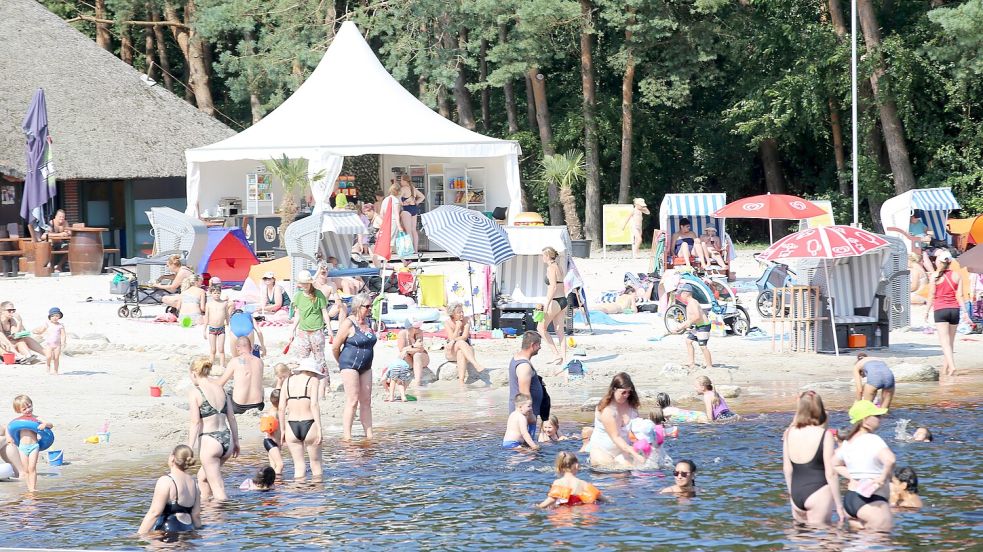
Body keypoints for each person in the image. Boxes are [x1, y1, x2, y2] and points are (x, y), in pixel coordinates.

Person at [782, 391, 845, 525]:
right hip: (819, 492)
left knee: (803, 542)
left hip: (796, 493)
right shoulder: (825, 435)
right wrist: (839, 505)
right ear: (819, 408)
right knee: (825, 541)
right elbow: (831, 473)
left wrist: (792, 495)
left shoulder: (788, 433)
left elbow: (787, 469)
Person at [832, 400, 895, 532]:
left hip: (851, 500)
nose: (880, 419)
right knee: (882, 544)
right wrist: (882, 479)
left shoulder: (848, 442)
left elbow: (835, 464)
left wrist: (854, 477)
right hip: (872, 501)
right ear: (865, 419)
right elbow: (890, 460)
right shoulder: (873, 439)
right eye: (876, 416)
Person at [187, 358, 239, 501]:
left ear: (194, 373)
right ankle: (208, 512)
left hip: (210, 441)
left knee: (218, 487)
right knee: (202, 477)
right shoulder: (221, 389)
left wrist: (189, 447)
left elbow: (195, 422)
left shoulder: (196, 392)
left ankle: (222, 521)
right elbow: (232, 418)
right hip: (227, 440)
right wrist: (236, 442)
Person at [332, 293, 377, 440]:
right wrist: (341, 363)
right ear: (358, 306)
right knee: (353, 400)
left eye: (371, 306)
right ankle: (347, 436)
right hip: (349, 364)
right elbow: (335, 346)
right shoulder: (348, 323)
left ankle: (369, 435)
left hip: (366, 365)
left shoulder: (369, 323)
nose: (370, 309)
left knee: (366, 400)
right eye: (367, 306)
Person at [137, 445, 202, 534]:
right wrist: (198, 534)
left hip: (169, 529)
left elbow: (155, 512)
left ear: (172, 458)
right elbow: (196, 515)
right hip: (188, 529)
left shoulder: (166, 481)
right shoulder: (195, 484)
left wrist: (139, 535)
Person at [277, 357, 323, 480]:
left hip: (291, 425)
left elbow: (281, 408)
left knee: (298, 467)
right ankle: (317, 496)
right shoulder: (313, 380)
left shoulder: (287, 381)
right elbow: (314, 405)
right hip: (309, 423)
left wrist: (282, 430)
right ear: (312, 371)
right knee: (316, 464)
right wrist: (319, 428)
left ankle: (298, 496)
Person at [589, 373, 645, 468]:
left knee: (630, 470)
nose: (626, 395)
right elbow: (616, 437)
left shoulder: (632, 407)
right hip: (602, 451)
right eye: (623, 392)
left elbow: (637, 430)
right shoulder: (607, 409)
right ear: (614, 389)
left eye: (629, 392)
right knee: (609, 469)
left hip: (623, 451)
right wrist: (634, 453)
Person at [291, 270, 332, 397]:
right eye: (302, 283)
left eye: (306, 283)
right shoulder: (298, 296)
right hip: (303, 331)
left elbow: (324, 312)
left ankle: (326, 386)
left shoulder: (318, 294)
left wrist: (330, 329)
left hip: (317, 330)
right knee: (302, 359)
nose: (304, 285)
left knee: (320, 359)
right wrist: (293, 329)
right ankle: (302, 384)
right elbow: (298, 314)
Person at [925, 250, 964, 377]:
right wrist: (965, 312)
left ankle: (952, 367)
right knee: (950, 342)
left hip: (940, 310)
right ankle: (945, 368)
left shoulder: (934, 276)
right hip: (955, 310)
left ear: (939, 262)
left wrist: (926, 311)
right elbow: (960, 295)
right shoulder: (957, 275)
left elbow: (931, 295)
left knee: (944, 342)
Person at [9, 394, 53, 492]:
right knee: (26, 469)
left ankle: (33, 489)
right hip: (22, 447)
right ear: (18, 411)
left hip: (34, 446)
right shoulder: (19, 422)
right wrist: (10, 439)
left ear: (32, 404)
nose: (28, 410)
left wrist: (45, 424)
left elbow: (51, 425)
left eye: (29, 406)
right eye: (24, 409)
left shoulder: (37, 418)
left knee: (32, 467)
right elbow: (9, 429)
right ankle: (29, 488)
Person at [508, 331, 545, 439]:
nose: (540, 347)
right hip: (524, 413)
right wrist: (531, 415)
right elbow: (524, 393)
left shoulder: (518, 357)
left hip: (524, 412)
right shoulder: (524, 366)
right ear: (533, 345)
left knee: (525, 446)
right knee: (525, 447)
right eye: (539, 344)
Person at [218, 337, 266, 414]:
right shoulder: (259, 362)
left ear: (237, 347)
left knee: (226, 393)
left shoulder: (235, 361)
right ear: (250, 347)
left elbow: (220, 384)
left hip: (239, 406)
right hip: (258, 405)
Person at [538, 452, 603, 508]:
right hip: (578, 512)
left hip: (562, 514)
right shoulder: (583, 484)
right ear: (577, 466)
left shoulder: (558, 482)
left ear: (560, 467)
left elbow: (551, 500)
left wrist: (538, 507)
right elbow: (602, 498)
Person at [671, 284, 713, 369]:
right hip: (698, 326)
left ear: (686, 293)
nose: (680, 296)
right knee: (688, 341)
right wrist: (681, 327)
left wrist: (684, 325)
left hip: (704, 326)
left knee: (703, 346)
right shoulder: (689, 303)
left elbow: (697, 316)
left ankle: (709, 365)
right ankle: (691, 362)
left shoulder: (693, 302)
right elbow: (690, 320)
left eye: (681, 293)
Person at [539, 246, 568, 365]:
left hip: (555, 301)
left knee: (541, 328)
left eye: (543, 255)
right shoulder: (559, 267)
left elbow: (553, 287)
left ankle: (556, 354)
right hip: (563, 300)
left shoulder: (550, 268)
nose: (542, 258)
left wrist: (547, 303)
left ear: (547, 256)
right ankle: (564, 359)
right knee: (559, 331)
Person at [444, 302, 486, 384]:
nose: (462, 314)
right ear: (452, 314)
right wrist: (457, 327)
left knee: (461, 351)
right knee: (460, 343)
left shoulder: (466, 320)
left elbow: (465, 337)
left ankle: (461, 381)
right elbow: (451, 338)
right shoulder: (447, 323)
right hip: (452, 351)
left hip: (466, 349)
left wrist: (455, 339)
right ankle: (475, 364)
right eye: (459, 312)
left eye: (462, 311)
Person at [397, 318, 430, 388]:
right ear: (409, 327)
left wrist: (408, 349)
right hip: (408, 358)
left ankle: (417, 382)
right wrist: (413, 346)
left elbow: (420, 349)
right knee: (403, 354)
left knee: (417, 355)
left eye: (419, 327)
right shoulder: (402, 334)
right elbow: (401, 349)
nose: (418, 329)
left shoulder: (419, 333)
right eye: (416, 327)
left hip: (420, 357)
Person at [203, 283, 230, 366]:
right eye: (214, 293)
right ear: (211, 293)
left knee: (221, 349)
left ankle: (222, 366)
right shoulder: (208, 304)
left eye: (218, 293)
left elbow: (227, 315)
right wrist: (204, 330)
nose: (216, 294)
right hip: (212, 329)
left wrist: (229, 326)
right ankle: (210, 366)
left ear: (221, 293)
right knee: (213, 350)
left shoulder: (224, 303)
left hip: (221, 328)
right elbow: (206, 317)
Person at [33, 307, 66, 375]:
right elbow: (42, 331)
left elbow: (63, 335)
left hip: (57, 345)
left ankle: (56, 371)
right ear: (50, 317)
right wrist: (36, 332)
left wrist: (63, 342)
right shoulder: (47, 324)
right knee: (48, 357)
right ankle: (48, 367)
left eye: (57, 316)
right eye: (53, 316)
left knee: (56, 358)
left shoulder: (60, 325)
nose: (55, 317)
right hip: (49, 344)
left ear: (59, 316)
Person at [399, 174, 426, 253]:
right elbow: (422, 196)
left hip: (406, 209)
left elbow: (398, 198)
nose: (400, 182)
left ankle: (409, 250)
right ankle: (416, 250)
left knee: (408, 231)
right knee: (414, 230)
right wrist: (416, 202)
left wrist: (403, 203)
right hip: (414, 209)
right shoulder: (413, 189)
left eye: (401, 180)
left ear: (404, 181)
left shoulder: (403, 189)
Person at [261, 389, 284, 475]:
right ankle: (277, 482)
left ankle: (272, 485)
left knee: (273, 466)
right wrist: (278, 443)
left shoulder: (271, 411)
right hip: (271, 442)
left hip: (269, 441)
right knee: (280, 465)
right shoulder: (274, 414)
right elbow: (272, 432)